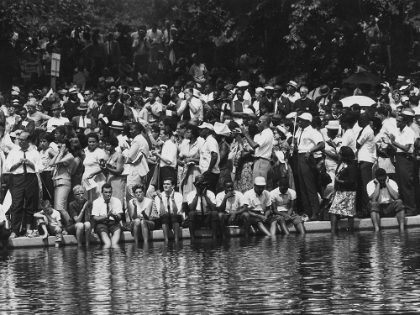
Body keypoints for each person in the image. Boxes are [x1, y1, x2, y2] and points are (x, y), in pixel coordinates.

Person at [5, 131, 40, 239]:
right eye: (19, 139)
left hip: (30, 178)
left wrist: (30, 163)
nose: (20, 142)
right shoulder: (14, 152)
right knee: (16, 204)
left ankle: (28, 229)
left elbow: (41, 167)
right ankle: (15, 230)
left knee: (30, 204)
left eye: (22, 140)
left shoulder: (34, 152)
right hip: (17, 179)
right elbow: (7, 166)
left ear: (29, 141)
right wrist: (17, 164)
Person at [383, 112, 416, 216]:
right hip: (398, 158)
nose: (397, 123)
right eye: (396, 120)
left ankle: (411, 209)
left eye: (399, 121)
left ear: (405, 122)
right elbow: (397, 148)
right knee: (401, 185)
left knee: (407, 184)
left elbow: (406, 148)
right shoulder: (398, 131)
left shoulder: (409, 132)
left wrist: (394, 142)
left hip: (406, 159)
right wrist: (389, 143)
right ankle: (404, 208)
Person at [294, 113, 325, 221]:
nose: (299, 122)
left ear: (307, 121)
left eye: (302, 120)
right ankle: (308, 212)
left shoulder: (312, 131)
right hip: (300, 156)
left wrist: (310, 151)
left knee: (309, 185)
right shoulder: (300, 130)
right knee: (302, 186)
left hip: (307, 157)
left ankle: (316, 212)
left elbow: (321, 144)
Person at [329, 146, 357, 233]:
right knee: (333, 210)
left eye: (340, 153)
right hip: (339, 191)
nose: (339, 155)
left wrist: (339, 181)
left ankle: (351, 232)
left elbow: (351, 180)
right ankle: (333, 232)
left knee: (349, 213)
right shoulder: (340, 163)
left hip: (349, 192)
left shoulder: (351, 165)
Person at [48, 139, 75, 226]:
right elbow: (51, 163)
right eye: (58, 147)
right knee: (58, 207)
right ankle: (66, 226)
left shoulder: (70, 156)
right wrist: (59, 153)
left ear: (66, 148)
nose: (59, 148)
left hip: (63, 183)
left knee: (60, 207)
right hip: (57, 183)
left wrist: (60, 153)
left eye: (61, 147)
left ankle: (71, 226)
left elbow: (56, 163)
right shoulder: (61, 155)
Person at [241, 114, 273, 181]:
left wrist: (246, 134)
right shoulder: (262, 133)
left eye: (259, 122)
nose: (257, 124)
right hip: (258, 161)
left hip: (262, 162)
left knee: (259, 185)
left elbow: (254, 145)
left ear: (266, 123)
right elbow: (253, 148)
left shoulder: (267, 132)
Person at [186, 175, 219, 242]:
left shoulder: (210, 193)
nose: (201, 186)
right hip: (197, 218)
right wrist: (197, 195)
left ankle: (214, 238)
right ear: (194, 184)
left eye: (202, 183)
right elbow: (191, 208)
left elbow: (213, 209)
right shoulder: (191, 194)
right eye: (198, 184)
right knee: (191, 214)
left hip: (207, 217)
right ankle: (192, 238)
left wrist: (205, 196)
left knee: (215, 213)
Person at [153, 177, 183, 242]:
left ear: (173, 186)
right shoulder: (158, 197)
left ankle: (176, 240)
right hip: (164, 219)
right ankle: (166, 240)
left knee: (174, 216)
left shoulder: (179, 195)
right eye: (164, 184)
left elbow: (176, 212)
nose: (165, 186)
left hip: (176, 218)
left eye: (168, 184)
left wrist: (172, 199)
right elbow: (161, 213)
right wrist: (161, 200)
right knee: (165, 216)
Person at [179, 124, 202, 201]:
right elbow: (180, 158)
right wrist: (180, 162)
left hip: (195, 170)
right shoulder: (185, 144)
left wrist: (192, 160)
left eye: (188, 132)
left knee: (194, 189)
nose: (186, 134)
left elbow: (202, 160)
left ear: (193, 134)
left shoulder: (199, 144)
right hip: (185, 170)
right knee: (185, 189)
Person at [82, 132, 108, 202]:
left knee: (98, 199)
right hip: (87, 179)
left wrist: (94, 173)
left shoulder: (100, 152)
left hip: (97, 179)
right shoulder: (86, 151)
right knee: (88, 200)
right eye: (90, 142)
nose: (91, 144)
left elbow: (103, 166)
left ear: (97, 142)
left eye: (93, 142)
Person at [151, 126, 177, 191]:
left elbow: (169, 161)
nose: (159, 136)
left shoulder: (171, 145)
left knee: (168, 190)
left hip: (168, 171)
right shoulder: (164, 144)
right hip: (162, 170)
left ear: (167, 135)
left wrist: (158, 155)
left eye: (161, 134)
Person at [103, 136, 126, 208]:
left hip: (117, 180)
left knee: (117, 201)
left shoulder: (119, 156)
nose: (107, 146)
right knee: (110, 201)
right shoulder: (108, 155)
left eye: (109, 144)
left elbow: (118, 171)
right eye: (106, 144)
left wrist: (107, 168)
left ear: (114, 145)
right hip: (109, 179)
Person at [198, 122, 220, 193]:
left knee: (209, 193)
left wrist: (209, 170)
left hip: (210, 173)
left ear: (207, 130)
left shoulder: (211, 140)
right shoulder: (206, 141)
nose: (200, 131)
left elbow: (214, 156)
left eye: (202, 129)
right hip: (206, 172)